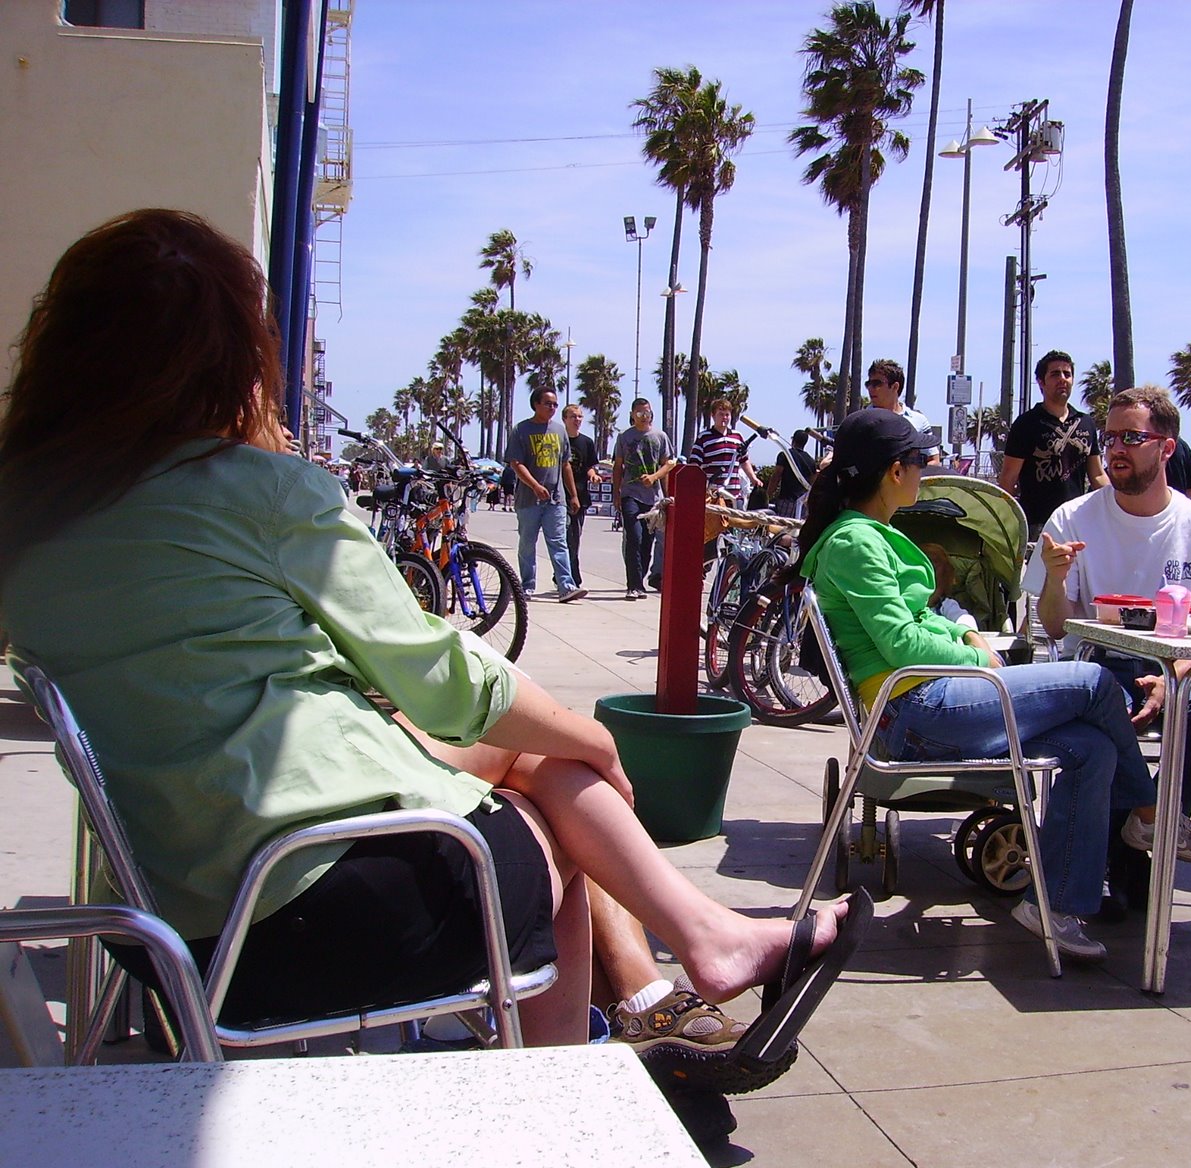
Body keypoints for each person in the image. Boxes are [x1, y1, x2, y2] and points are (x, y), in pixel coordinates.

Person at [0, 208, 867, 1056]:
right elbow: (437, 676)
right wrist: (595, 737)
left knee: (536, 764)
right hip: (318, 909)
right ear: (231, 357)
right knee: (549, 800)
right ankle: (569, 1084)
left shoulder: (29, 518)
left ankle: (698, 947)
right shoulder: (257, 492)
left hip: (162, 929)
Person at [796, 407, 1167, 962]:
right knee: (1094, 682)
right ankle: (1151, 815)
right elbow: (902, 644)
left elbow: (920, 618)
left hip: (925, 703)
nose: (927, 470)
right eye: (921, 461)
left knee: (1092, 748)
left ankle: (1054, 906)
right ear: (895, 472)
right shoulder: (856, 543)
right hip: (916, 709)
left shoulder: (867, 535)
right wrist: (981, 661)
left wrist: (965, 634)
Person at [1023, 385, 1191, 911]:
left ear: (1166, 448)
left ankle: (1135, 835)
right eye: (1110, 437)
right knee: (1106, 723)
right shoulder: (1072, 519)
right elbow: (1054, 627)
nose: (1116, 449)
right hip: (1097, 667)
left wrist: (1174, 678)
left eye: (1132, 438)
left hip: (1179, 665)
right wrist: (1056, 580)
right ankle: (1144, 830)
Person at [998, 350, 1108, 538]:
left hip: (1076, 522)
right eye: (1055, 374)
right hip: (1037, 525)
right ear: (1041, 382)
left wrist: (1118, 501)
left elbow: (1097, 474)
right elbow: (1009, 478)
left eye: (1067, 374)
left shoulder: (1086, 423)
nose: (1062, 379)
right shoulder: (1026, 424)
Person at [507, 387, 586, 603]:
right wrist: (534, 485)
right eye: (548, 404)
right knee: (527, 544)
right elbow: (516, 463)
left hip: (556, 499)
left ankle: (566, 586)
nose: (552, 408)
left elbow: (565, 464)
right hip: (528, 500)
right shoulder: (521, 430)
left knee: (559, 542)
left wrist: (573, 495)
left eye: (555, 405)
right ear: (536, 405)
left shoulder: (559, 431)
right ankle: (526, 586)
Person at [612, 397, 676, 600]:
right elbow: (618, 466)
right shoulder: (624, 437)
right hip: (630, 494)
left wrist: (656, 480)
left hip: (653, 498)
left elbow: (668, 464)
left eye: (646, 412)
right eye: (639, 413)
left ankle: (640, 580)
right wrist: (616, 493)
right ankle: (633, 585)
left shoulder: (660, 436)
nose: (643, 416)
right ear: (632, 414)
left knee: (647, 542)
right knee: (634, 537)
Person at [865, 358, 941, 466]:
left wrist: (908, 473)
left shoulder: (919, 421)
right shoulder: (861, 421)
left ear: (895, 387)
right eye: (868, 384)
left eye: (877, 383)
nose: (870, 388)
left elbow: (934, 461)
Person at [687, 397, 760, 505]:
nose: (724, 418)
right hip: (713, 496)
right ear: (713, 416)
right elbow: (694, 464)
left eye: (727, 415)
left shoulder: (737, 437)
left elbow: (744, 460)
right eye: (721, 414)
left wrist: (753, 479)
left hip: (734, 496)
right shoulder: (703, 437)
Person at [561, 404, 601, 589]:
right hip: (559, 497)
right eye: (573, 417)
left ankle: (569, 576)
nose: (577, 420)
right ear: (565, 419)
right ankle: (566, 576)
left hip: (580, 497)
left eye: (579, 417)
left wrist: (593, 475)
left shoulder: (587, 442)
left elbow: (589, 467)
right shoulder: (559, 440)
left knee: (574, 538)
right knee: (561, 538)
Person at [770, 429, 816, 518]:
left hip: (786, 500)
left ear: (793, 440)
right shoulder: (811, 461)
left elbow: (776, 477)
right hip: (802, 503)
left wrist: (768, 495)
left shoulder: (785, 455)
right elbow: (812, 482)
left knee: (782, 525)